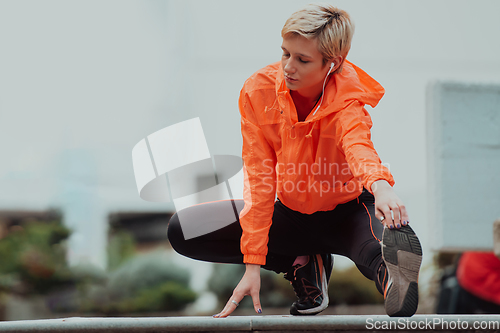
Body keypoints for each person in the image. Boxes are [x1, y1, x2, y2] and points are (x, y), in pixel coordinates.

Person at [167, 3, 422, 317]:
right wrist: (253, 265)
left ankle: (391, 279)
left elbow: (359, 147)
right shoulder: (258, 93)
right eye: (285, 53)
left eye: (303, 60)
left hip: (349, 212)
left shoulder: (347, 100)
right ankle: (302, 261)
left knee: (378, 252)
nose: (288, 67)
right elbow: (260, 181)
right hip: (292, 216)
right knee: (185, 228)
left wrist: (381, 186)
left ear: (333, 63)